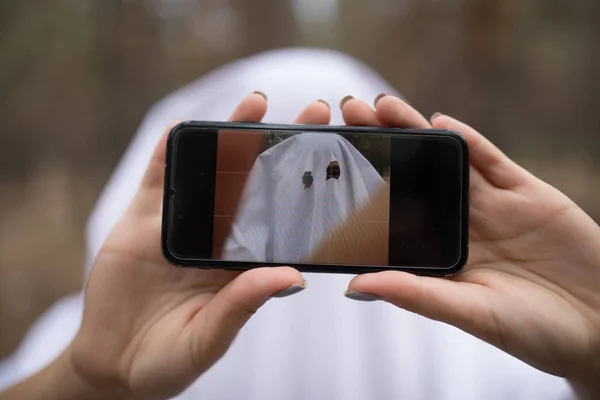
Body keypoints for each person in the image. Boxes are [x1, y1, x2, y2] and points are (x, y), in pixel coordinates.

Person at [1, 48, 599, 399]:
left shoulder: (511, 357)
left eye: (335, 182)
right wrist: (87, 377)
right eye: (284, 188)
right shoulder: (492, 377)